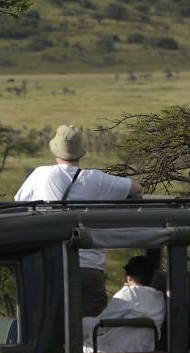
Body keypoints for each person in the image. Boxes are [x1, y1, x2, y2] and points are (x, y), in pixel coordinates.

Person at [15, 125, 143, 316]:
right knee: (90, 332)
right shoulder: (96, 179)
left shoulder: (41, 174)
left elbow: (20, 202)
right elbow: (136, 188)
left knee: (50, 327)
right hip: (90, 267)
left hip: (52, 265)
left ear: (55, 150)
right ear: (80, 152)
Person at [82, 256, 166, 353]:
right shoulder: (159, 299)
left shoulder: (128, 293)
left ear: (128, 277)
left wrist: (80, 324)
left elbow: (100, 325)